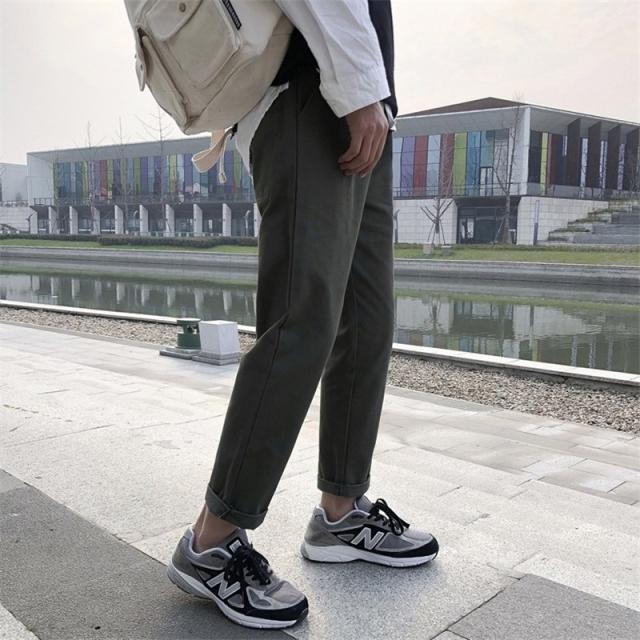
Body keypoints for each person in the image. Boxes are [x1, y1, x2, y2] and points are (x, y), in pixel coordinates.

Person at [167, 0, 439, 629]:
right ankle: (211, 540)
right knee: (302, 321)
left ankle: (341, 510)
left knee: (368, 319)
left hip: (364, 99)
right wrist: (358, 87)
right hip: (310, 90)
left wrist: (372, 92)